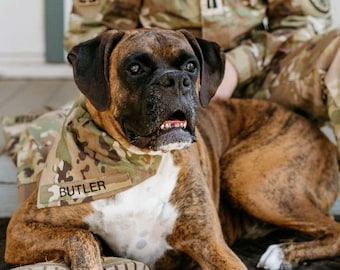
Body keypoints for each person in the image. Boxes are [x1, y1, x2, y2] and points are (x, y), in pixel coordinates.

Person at [3, 0, 340, 269]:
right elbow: (94, 35)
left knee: (245, 182)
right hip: (152, 86)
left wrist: (235, 66)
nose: (173, 82)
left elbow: (300, 28)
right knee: (42, 142)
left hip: (255, 81)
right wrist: (135, 66)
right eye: (136, 67)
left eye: (181, 75)